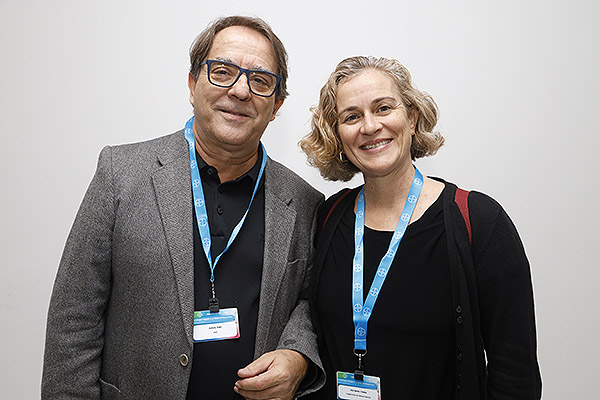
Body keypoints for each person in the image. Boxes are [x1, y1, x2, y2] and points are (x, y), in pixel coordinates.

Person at [42, 16, 325, 399]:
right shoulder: (120, 174)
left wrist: (298, 354)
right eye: (223, 71)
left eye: (260, 81)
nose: (241, 91)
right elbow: (73, 320)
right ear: (193, 85)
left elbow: (311, 301)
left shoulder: (305, 202)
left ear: (276, 105)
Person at [300, 56, 541, 399]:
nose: (369, 126)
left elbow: (515, 374)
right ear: (338, 134)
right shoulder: (328, 216)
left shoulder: (479, 222)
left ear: (411, 118)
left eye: (383, 108)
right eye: (351, 116)